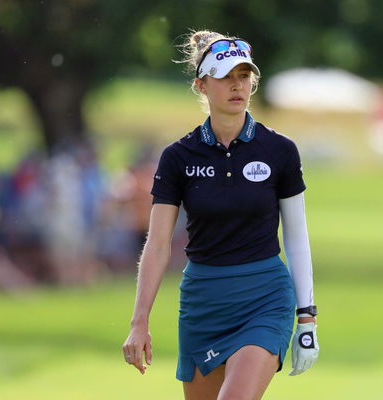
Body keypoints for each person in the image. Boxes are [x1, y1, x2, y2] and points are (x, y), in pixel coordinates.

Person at [122, 30, 319, 400]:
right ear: (202, 85)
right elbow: (158, 244)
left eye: (243, 76)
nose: (236, 85)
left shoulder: (280, 151)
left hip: (265, 296)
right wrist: (140, 321)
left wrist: (306, 316)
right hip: (204, 301)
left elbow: (296, 236)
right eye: (225, 77)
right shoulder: (178, 157)